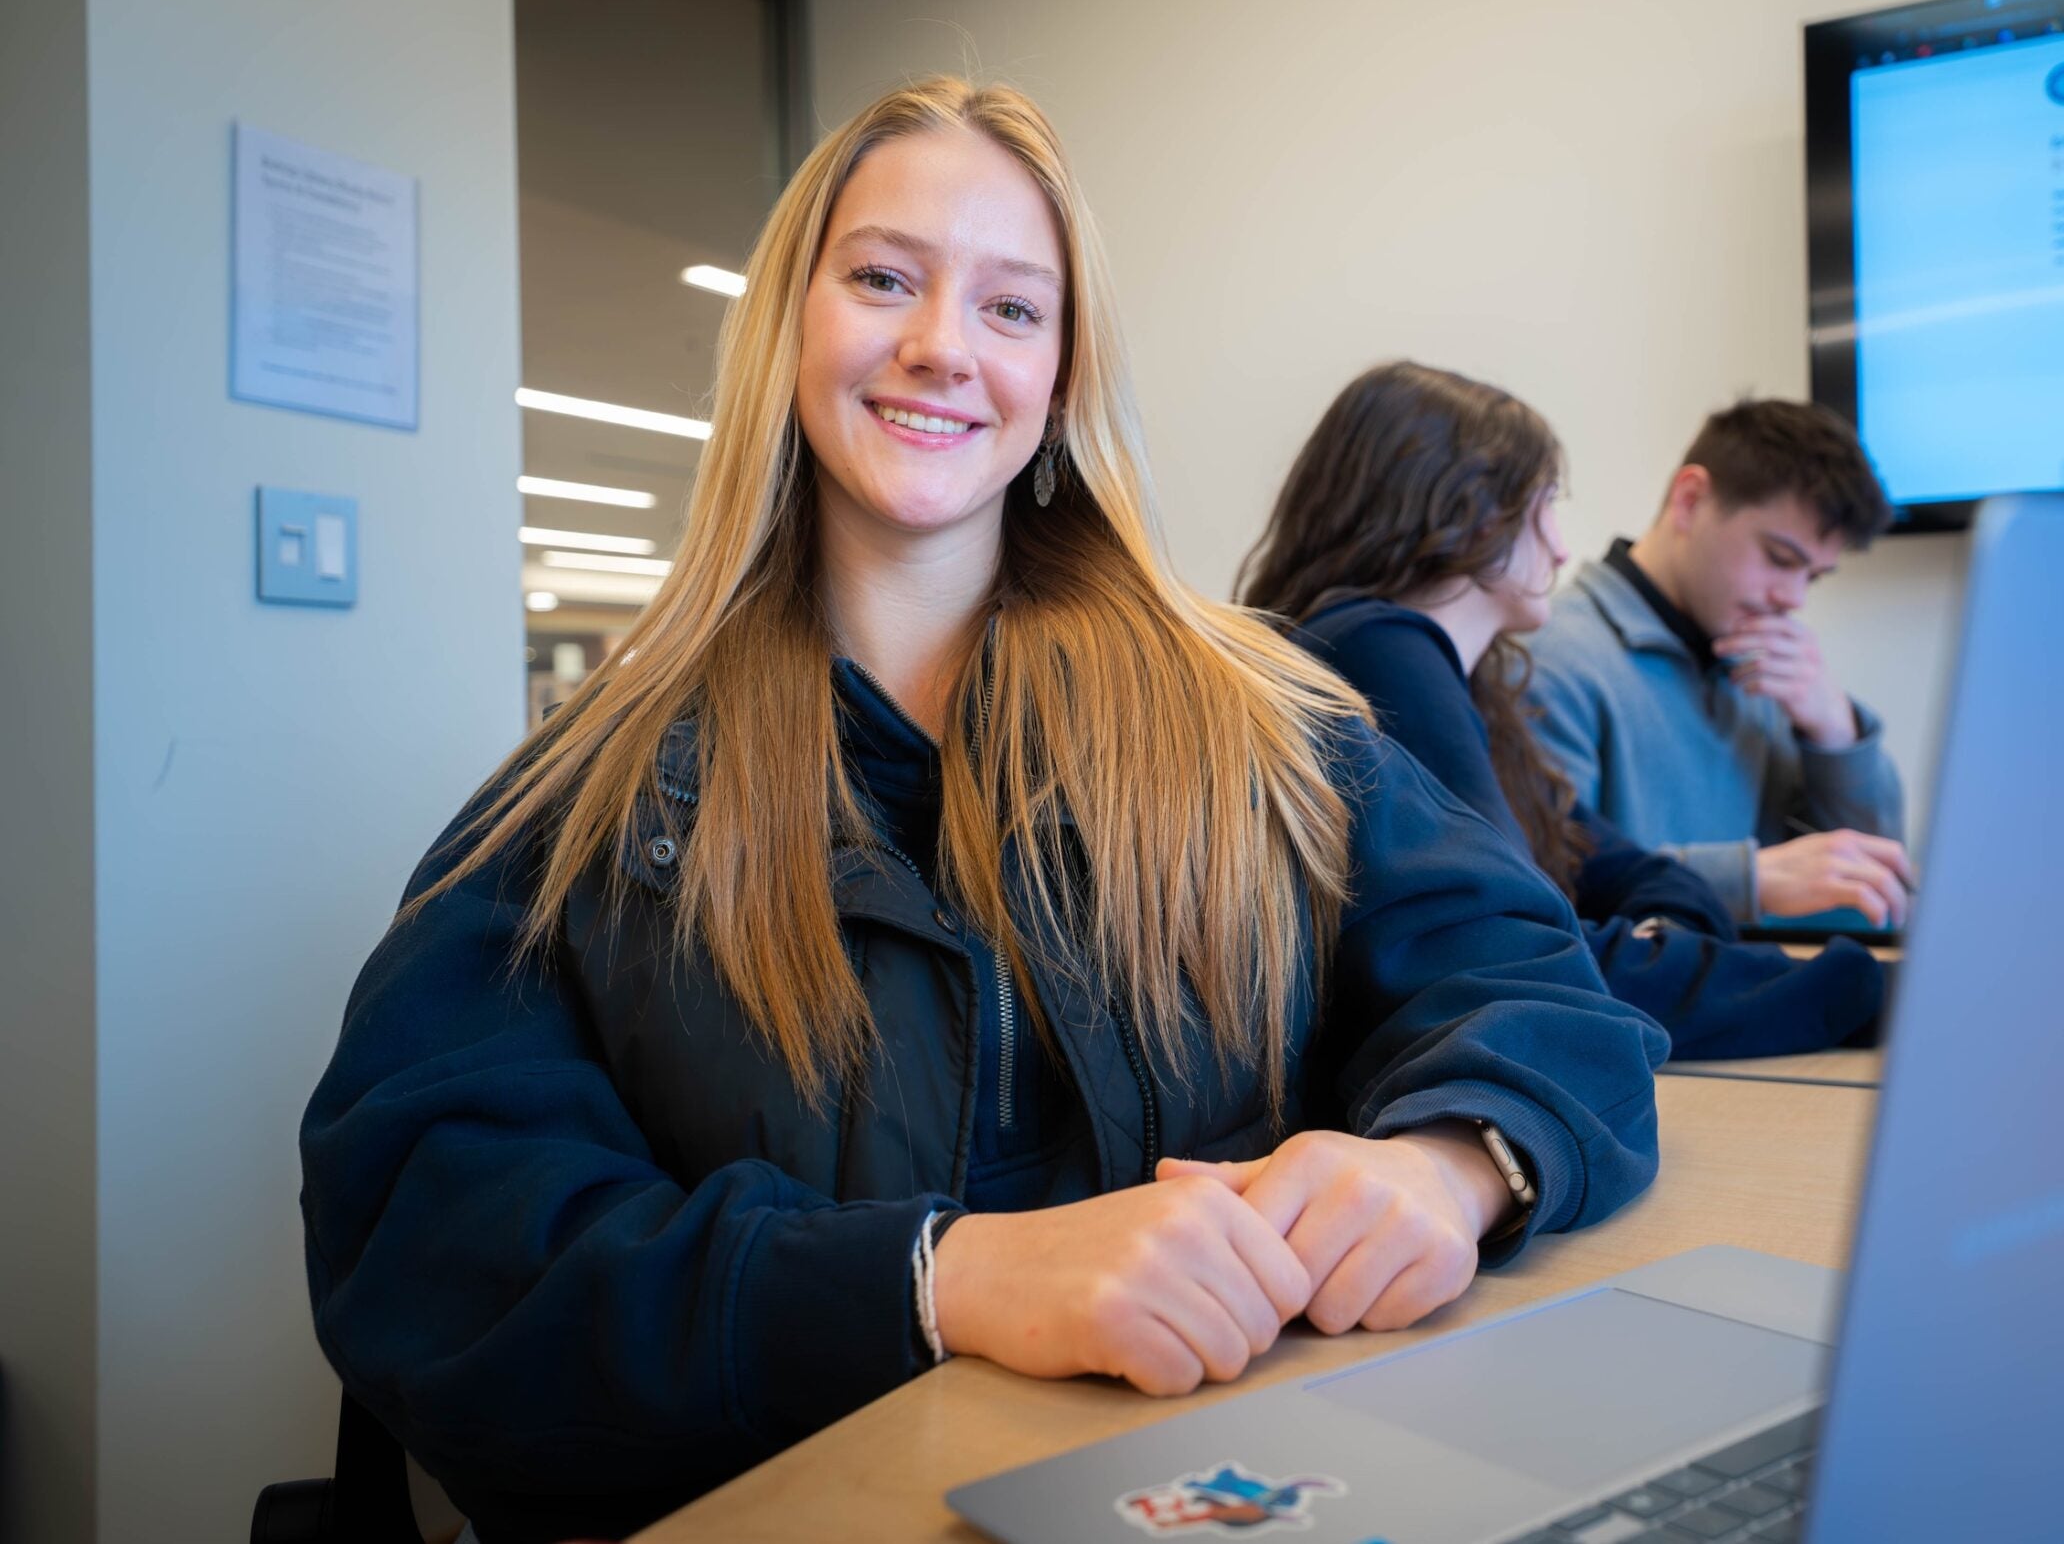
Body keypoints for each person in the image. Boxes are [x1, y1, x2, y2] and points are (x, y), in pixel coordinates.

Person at [297, 80, 1666, 1544]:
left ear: (1064, 372)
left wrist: (1449, 1164)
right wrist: (945, 1277)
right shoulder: (581, 806)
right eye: (884, 277)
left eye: (1014, 308)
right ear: (788, 327)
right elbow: (438, 1252)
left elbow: (1541, 987)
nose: (943, 344)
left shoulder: (1267, 728)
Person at [1238, 361, 1883, 1059]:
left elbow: (1633, 876)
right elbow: (1530, 961)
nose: (1561, 544)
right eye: (1542, 504)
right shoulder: (1376, 645)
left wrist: (1658, 933)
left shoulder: (1472, 682)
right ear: (1464, 512)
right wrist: (1869, 991)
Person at [1523, 399, 1916, 927]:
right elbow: (1542, 891)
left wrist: (1834, 731)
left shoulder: (1758, 667)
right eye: (1780, 559)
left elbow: (1873, 887)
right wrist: (1745, 880)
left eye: (1814, 576)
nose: (1793, 598)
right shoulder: (1552, 658)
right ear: (1689, 500)